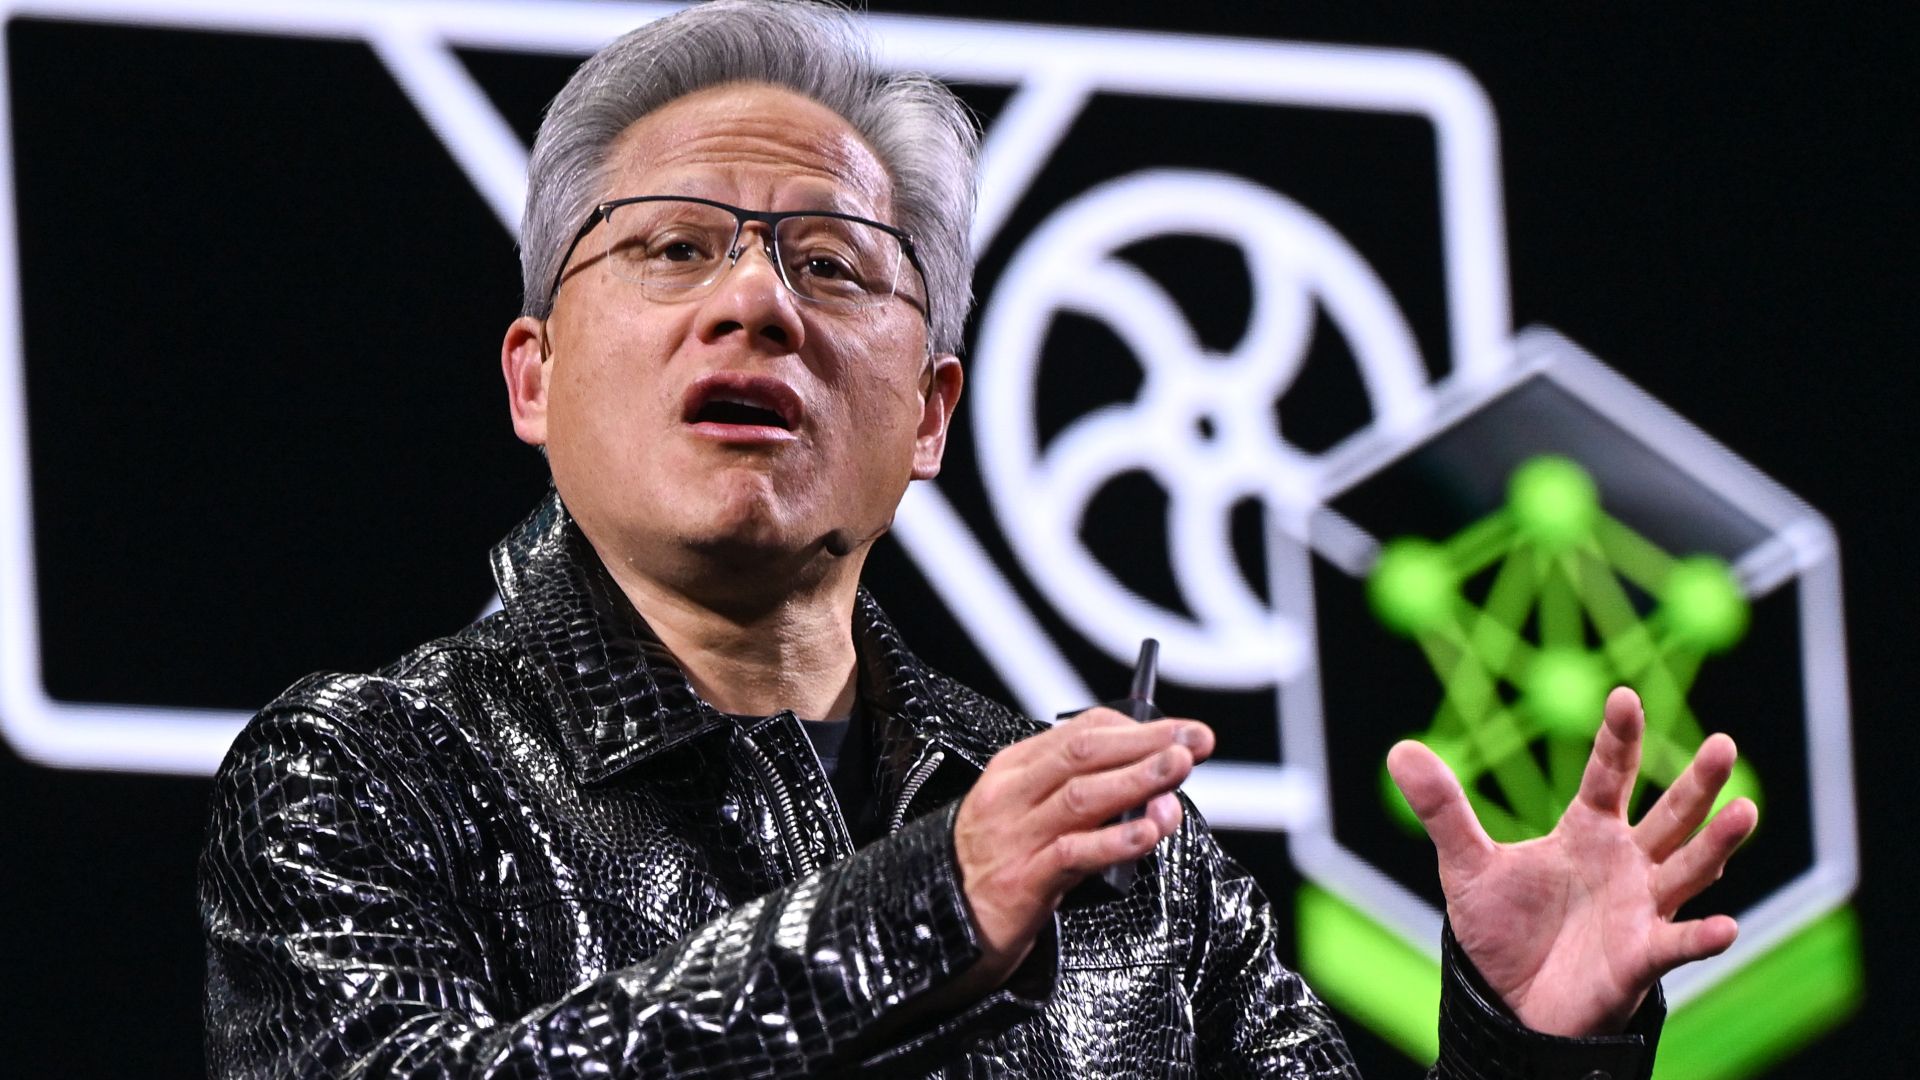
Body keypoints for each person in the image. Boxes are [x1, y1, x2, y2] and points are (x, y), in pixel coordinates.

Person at [199, 2, 1756, 1076]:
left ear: (932, 413)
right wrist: (925, 909)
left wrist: (1529, 1050)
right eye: (675, 247)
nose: (757, 303)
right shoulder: (365, 773)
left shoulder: (1123, 855)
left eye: (833, 264)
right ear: (534, 378)